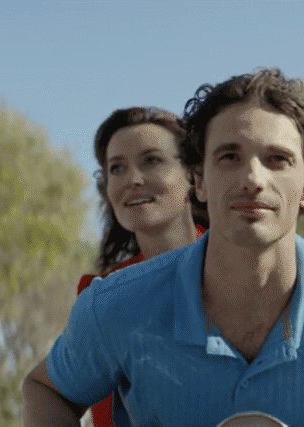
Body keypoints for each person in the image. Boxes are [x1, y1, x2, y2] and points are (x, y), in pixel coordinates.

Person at [23, 69, 304, 426]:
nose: (253, 178)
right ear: (198, 180)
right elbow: (48, 391)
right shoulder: (114, 307)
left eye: (278, 159)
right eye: (229, 156)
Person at [78, 106, 207, 427]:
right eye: (117, 168)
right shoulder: (100, 295)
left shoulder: (243, 265)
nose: (132, 180)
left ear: (193, 174)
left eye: (151, 161)